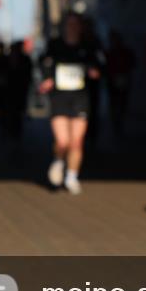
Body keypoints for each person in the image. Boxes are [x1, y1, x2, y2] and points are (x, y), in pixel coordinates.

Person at [39, 12, 104, 195]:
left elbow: (100, 65)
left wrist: (94, 72)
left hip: (80, 97)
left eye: (76, 23)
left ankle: (72, 177)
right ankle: (58, 162)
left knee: (76, 142)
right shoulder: (55, 45)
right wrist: (47, 79)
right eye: (70, 23)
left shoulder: (89, 45)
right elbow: (44, 63)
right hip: (59, 97)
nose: (73, 27)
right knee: (62, 141)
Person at [104, 30, 135, 138]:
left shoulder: (124, 52)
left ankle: (119, 121)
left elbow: (132, 63)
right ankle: (116, 122)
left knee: (122, 102)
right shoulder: (109, 52)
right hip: (112, 80)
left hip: (123, 79)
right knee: (114, 102)